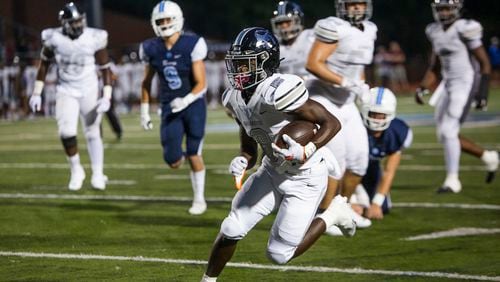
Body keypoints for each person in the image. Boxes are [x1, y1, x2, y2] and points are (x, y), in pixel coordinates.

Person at [201, 27, 356, 282]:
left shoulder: (279, 90)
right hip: (271, 170)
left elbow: (331, 123)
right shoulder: (234, 98)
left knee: (279, 254)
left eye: (246, 64)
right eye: (237, 64)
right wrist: (244, 159)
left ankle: (332, 214)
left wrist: (308, 148)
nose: (239, 70)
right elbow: (249, 140)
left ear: (266, 62)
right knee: (231, 227)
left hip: (304, 177)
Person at [270, 0, 365, 231]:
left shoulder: (313, 37)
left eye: (288, 22)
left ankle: (341, 205)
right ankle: (314, 206)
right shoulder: (274, 46)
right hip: (292, 108)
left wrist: (356, 83)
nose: (284, 27)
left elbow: (339, 60)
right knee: (293, 157)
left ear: (298, 21)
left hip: (319, 100)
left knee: (351, 158)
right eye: (280, 23)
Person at [416, 0, 499, 192]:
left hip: (466, 83)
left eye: (447, 8)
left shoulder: (465, 28)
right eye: (440, 9)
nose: (444, 13)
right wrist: (423, 87)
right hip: (447, 84)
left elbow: (484, 63)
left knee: (449, 131)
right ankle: (488, 156)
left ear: (456, 9)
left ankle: (453, 180)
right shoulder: (434, 30)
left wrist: (482, 93)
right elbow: (435, 66)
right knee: (445, 134)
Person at [306, 0, 376, 226]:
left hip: (346, 102)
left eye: (360, 3)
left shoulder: (371, 29)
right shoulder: (333, 26)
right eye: (351, 3)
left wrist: (361, 88)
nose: (356, 8)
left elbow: (359, 67)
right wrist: (346, 82)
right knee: (336, 160)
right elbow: (313, 64)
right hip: (324, 98)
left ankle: (342, 208)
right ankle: (324, 215)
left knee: (359, 160)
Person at [28, 2, 112, 191]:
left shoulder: (94, 37)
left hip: (89, 88)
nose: (78, 25)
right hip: (66, 89)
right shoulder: (54, 38)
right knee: (66, 132)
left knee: (92, 131)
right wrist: (37, 93)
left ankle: (98, 173)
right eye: (73, 22)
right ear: (64, 23)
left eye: (79, 21)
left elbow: (105, 68)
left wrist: (106, 96)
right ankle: (76, 170)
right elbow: (44, 64)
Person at [140, 0, 208, 215]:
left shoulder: (192, 44)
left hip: (193, 104)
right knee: (173, 161)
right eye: (161, 20)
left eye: (168, 19)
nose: (165, 23)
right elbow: (146, 82)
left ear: (178, 20)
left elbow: (202, 84)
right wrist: (144, 111)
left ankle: (199, 199)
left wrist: (186, 100)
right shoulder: (151, 48)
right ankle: (181, 154)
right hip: (169, 107)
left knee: (194, 152)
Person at [355, 87, 412, 219]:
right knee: (353, 207)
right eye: (373, 114)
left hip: (371, 167)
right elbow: (341, 165)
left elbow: (389, 170)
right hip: (342, 171)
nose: (377, 120)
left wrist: (376, 203)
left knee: (382, 207)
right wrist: (352, 197)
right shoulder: (353, 125)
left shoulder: (397, 131)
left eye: (382, 115)